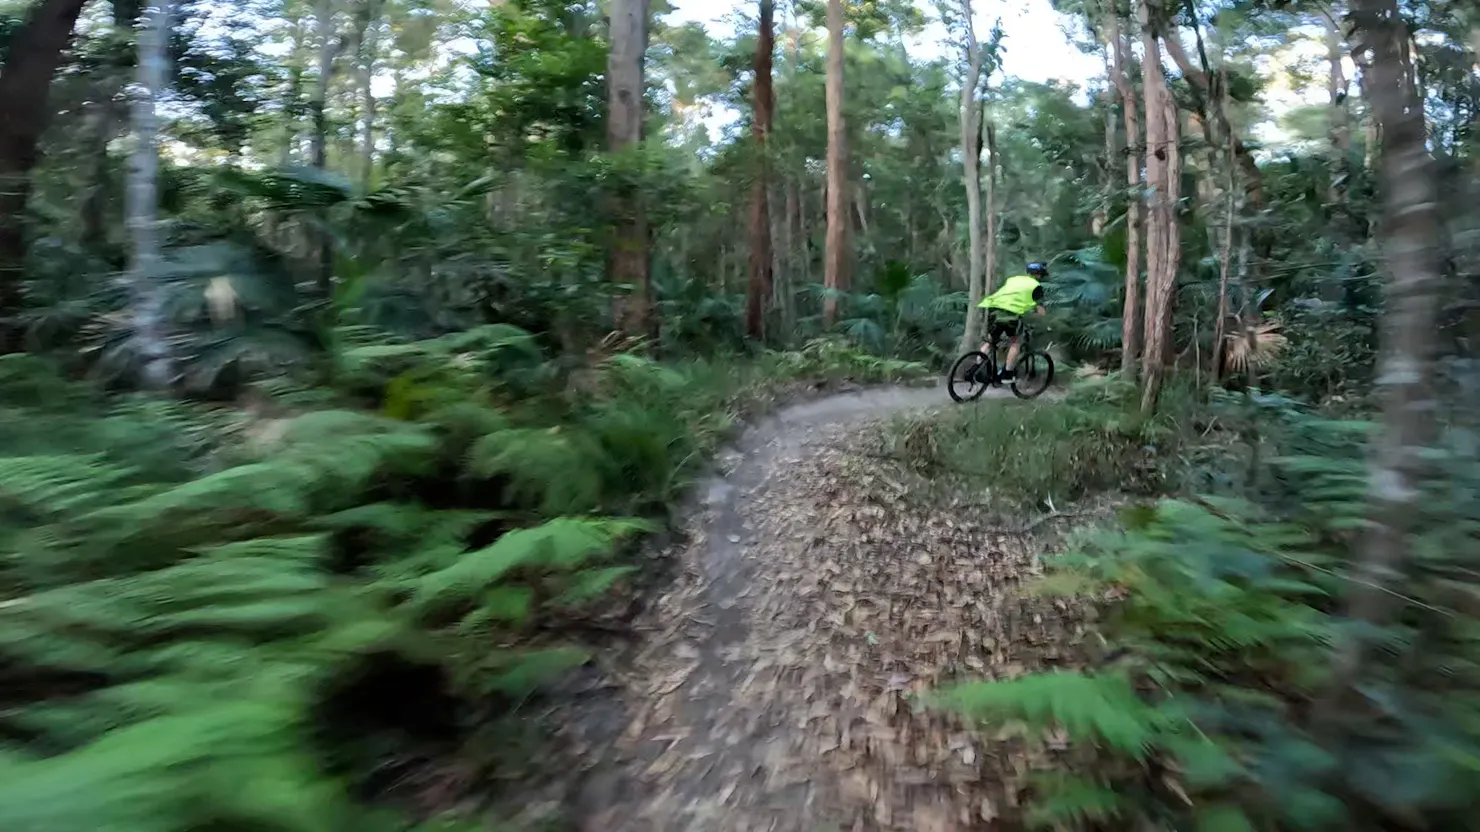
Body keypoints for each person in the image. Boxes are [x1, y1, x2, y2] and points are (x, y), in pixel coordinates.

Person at [977, 262, 1048, 382]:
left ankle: (977, 368)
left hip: (994, 310)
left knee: (990, 341)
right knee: (1015, 341)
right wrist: (1043, 320)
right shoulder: (1035, 286)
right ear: (1040, 275)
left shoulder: (1013, 280)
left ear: (1027, 272)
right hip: (1011, 315)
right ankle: (1007, 374)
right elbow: (1041, 310)